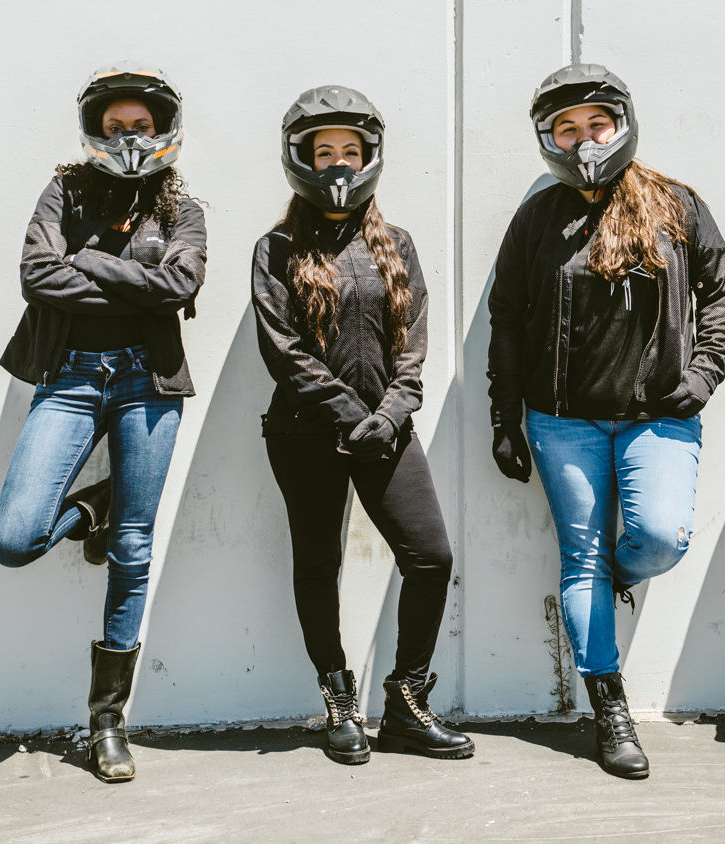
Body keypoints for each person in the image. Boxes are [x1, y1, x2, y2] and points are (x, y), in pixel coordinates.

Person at [487, 63, 725, 779]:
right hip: (562, 420)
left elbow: (723, 290)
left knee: (658, 539)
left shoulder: (675, 203)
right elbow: (505, 319)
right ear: (546, 137)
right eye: (566, 128)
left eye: (595, 123)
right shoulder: (538, 216)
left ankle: (609, 577)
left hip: (656, 416)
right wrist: (503, 417)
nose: (583, 138)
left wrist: (704, 372)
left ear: (622, 121)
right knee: (579, 559)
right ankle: (611, 710)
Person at [0, 61, 206, 782]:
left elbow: (181, 284)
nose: (128, 138)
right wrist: (135, 292)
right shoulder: (65, 190)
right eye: (115, 127)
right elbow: (35, 275)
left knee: (134, 551)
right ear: (94, 132)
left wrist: (90, 262)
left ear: (163, 130)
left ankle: (108, 720)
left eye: (140, 126)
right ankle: (92, 507)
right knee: (16, 538)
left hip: (150, 382)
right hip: (74, 379)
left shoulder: (184, 209)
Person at [252, 85, 473, 765]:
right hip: (305, 432)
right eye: (325, 152)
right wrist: (352, 415)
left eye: (351, 150)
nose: (339, 164)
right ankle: (339, 703)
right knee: (319, 565)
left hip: (387, 430)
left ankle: (406, 703)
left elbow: (415, 340)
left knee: (431, 557)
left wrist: (392, 412)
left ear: (371, 156)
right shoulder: (278, 246)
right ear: (301, 159)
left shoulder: (396, 242)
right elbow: (282, 348)